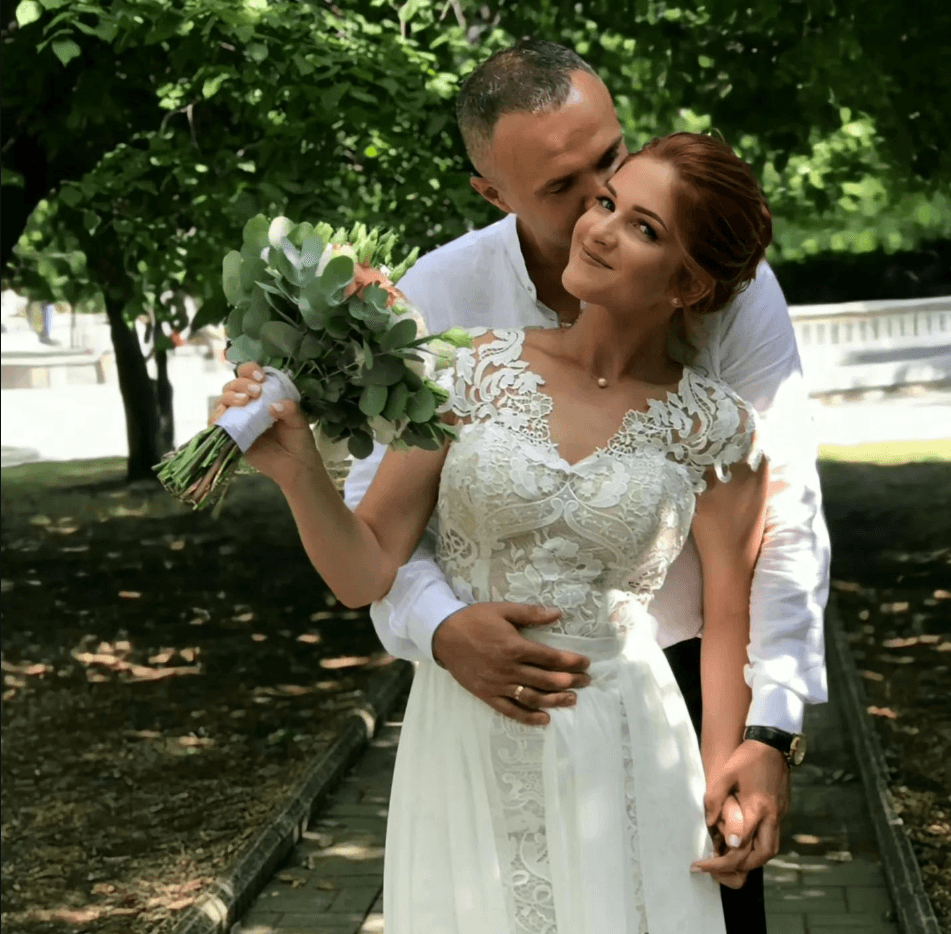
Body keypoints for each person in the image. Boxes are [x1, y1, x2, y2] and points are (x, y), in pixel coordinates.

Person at [217, 132, 783, 931]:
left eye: (642, 228)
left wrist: (725, 775)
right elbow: (363, 573)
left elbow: (727, 616)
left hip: (627, 739)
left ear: (688, 282)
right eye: (606, 203)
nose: (598, 228)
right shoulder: (468, 371)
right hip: (466, 735)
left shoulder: (716, 428)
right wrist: (297, 472)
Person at [343, 40, 830, 931]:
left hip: (682, 685)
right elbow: (375, 515)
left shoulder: (726, 284)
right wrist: (440, 628)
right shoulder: (443, 299)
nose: (601, 203)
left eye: (611, 157)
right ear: (495, 194)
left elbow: (783, 518)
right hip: (487, 691)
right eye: (569, 188)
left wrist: (769, 729)